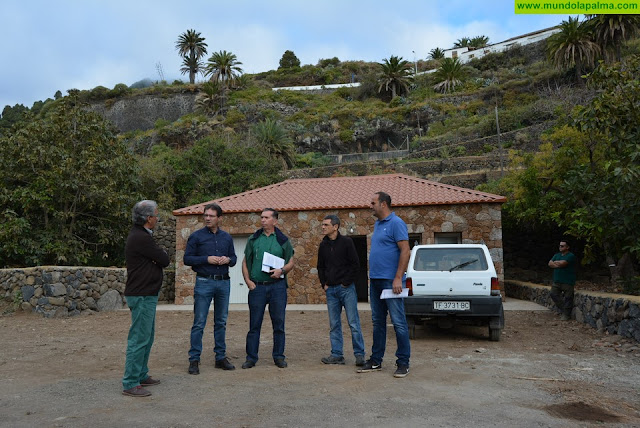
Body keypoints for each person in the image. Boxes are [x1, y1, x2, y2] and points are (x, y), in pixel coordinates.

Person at [358, 192, 411, 378]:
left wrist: (398, 277)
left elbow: (405, 250)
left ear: (383, 204)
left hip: (391, 281)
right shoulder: (378, 224)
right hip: (376, 280)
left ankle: (403, 363)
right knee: (378, 322)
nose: (370, 205)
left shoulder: (397, 223)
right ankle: (375, 361)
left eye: (372, 202)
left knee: (398, 323)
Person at [122, 200, 170, 397]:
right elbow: (165, 259)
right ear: (148, 218)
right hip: (141, 294)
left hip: (146, 293)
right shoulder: (141, 238)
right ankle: (130, 382)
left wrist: (157, 258)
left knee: (146, 337)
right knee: (139, 339)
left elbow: (159, 259)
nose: (158, 218)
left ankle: (141, 374)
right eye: (156, 215)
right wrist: (158, 257)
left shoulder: (142, 236)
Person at [184, 203, 237, 375]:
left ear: (219, 218)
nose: (207, 218)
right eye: (206, 215)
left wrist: (227, 260)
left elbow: (234, 258)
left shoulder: (227, 238)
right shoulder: (196, 237)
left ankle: (220, 358)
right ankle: (194, 360)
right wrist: (207, 259)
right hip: (204, 282)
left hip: (223, 283)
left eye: (211, 216)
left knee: (221, 322)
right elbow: (187, 259)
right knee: (199, 322)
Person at [241, 208, 294, 369]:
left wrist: (282, 271)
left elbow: (291, 261)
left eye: (266, 217)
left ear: (275, 221)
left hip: (277, 288)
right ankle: (251, 358)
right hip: (258, 287)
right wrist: (248, 281)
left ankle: (278, 357)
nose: (262, 220)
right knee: (254, 324)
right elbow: (245, 261)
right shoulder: (254, 239)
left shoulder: (283, 240)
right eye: (261, 217)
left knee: (279, 324)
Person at [317, 214, 366, 366]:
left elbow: (355, 264)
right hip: (330, 291)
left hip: (346, 289)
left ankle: (359, 354)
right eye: (323, 225)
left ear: (335, 227)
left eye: (326, 225)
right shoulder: (323, 245)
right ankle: (337, 354)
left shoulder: (347, 242)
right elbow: (320, 266)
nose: (323, 227)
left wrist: (346, 283)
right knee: (334, 324)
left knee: (353, 322)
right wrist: (324, 284)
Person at [548, 240, 577, 321]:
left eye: (562, 246)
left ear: (567, 247)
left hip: (567, 281)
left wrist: (556, 263)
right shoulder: (556, 255)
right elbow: (550, 263)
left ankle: (566, 315)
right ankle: (564, 311)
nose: (560, 247)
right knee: (553, 294)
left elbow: (563, 263)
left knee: (568, 298)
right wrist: (557, 264)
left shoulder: (570, 256)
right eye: (560, 245)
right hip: (557, 281)